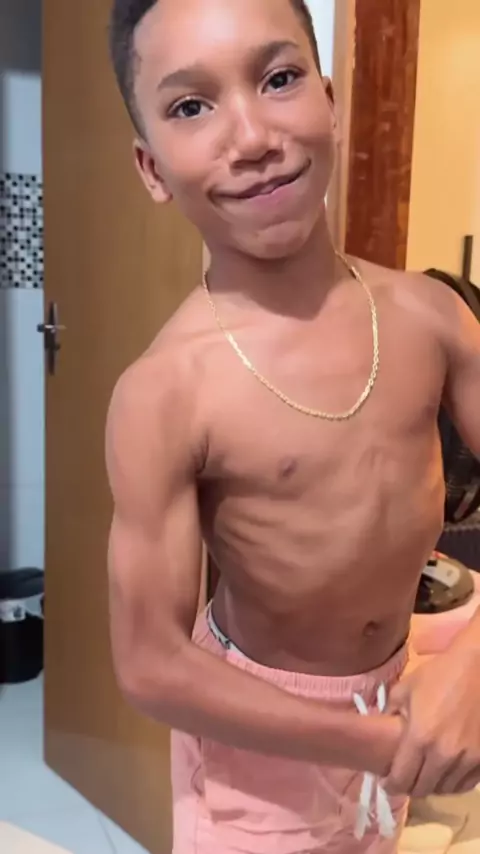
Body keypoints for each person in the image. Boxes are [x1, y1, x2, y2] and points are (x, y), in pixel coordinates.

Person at [106, 0, 480, 850]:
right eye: (191, 106)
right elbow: (150, 662)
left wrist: (470, 665)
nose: (251, 138)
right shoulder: (163, 393)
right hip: (256, 745)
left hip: (395, 689)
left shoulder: (433, 320)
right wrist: (379, 744)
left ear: (332, 100)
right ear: (152, 168)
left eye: (278, 79)